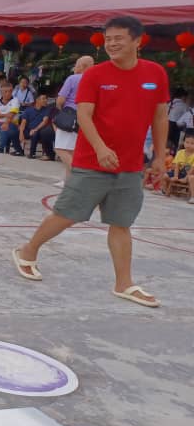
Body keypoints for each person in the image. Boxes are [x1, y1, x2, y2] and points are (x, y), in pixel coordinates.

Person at [12, 16, 168, 308]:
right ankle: (27, 251)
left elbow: (160, 117)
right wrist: (100, 148)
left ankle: (124, 283)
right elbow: (84, 115)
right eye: (108, 39)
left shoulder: (155, 74)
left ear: (137, 40)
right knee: (67, 214)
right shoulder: (95, 75)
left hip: (131, 165)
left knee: (121, 223)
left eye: (118, 38)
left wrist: (159, 156)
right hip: (92, 161)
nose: (111, 44)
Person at [53, 55, 95, 184]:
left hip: (70, 114)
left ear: (82, 66)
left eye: (76, 65)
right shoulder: (95, 80)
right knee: (71, 151)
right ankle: (68, 180)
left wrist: (61, 109)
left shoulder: (73, 78)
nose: (74, 68)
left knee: (60, 148)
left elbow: (61, 99)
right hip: (86, 117)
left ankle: (78, 176)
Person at [19, 93, 56, 160]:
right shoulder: (28, 110)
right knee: (16, 130)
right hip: (28, 130)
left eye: (46, 99)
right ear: (37, 100)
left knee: (35, 134)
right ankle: (19, 151)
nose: (45, 101)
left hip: (39, 130)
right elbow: (23, 122)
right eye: (43, 99)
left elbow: (45, 121)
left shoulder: (47, 109)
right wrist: (21, 133)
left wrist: (35, 129)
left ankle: (32, 153)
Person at [160, 134, 193, 202]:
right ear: (183, 142)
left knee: (191, 177)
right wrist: (175, 176)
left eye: (192, 143)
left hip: (189, 173)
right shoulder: (180, 152)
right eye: (187, 142)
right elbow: (177, 165)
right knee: (164, 175)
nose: (188, 145)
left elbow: (193, 168)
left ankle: (192, 196)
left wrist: (185, 178)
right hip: (179, 172)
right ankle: (165, 190)